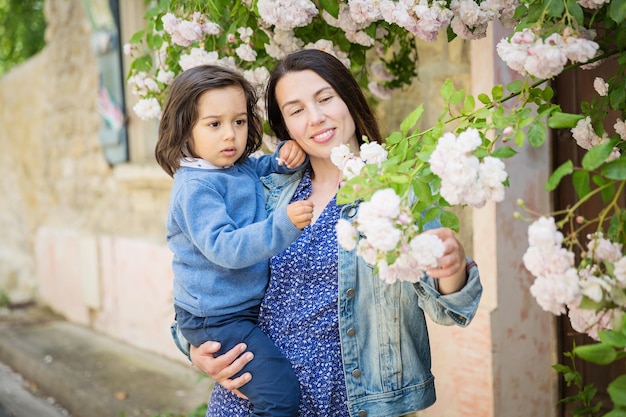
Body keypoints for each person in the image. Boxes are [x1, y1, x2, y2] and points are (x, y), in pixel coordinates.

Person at [174, 50, 483, 417]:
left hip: (350, 401)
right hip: (253, 400)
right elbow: (204, 282)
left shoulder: (398, 192)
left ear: (348, 99)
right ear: (285, 126)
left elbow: (451, 310)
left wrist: (450, 269)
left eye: (324, 98)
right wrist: (195, 350)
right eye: (296, 110)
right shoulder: (268, 190)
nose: (315, 117)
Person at [155, 64, 315, 417]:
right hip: (215, 317)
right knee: (280, 395)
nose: (230, 135)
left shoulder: (231, 166)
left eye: (239, 121)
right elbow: (224, 248)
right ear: (185, 130)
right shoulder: (195, 187)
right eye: (214, 124)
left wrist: (281, 162)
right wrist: (282, 225)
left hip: (236, 309)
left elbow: (255, 171)